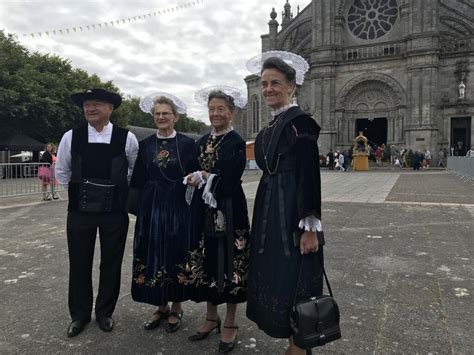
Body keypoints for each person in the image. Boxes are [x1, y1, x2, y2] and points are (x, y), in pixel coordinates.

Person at [245, 53, 325, 355]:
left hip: (292, 208)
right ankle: (290, 338)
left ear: (291, 86)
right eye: (264, 84)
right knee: (278, 272)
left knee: (297, 273)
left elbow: (309, 175)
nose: (268, 89)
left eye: (275, 83)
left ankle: (299, 346)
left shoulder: (300, 123)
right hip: (270, 207)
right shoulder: (269, 128)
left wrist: (309, 226)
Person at [55, 88, 139, 337]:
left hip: (114, 211)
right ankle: (79, 315)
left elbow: (133, 170)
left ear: (110, 109)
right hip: (80, 211)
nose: (90, 109)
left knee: (111, 263)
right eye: (87, 105)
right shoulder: (71, 136)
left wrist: (116, 193)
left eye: (97, 104)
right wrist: (82, 191)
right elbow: (62, 171)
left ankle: (105, 312)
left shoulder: (127, 138)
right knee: (79, 263)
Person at [184, 87, 250, 353]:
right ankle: (212, 316)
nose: (215, 113)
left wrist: (205, 176)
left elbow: (231, 180)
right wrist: (192, 177)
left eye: (221, 109)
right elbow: (196, 168)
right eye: (212, 109)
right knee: (209, 259)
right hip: (204, 210)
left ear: (231, 112)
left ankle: (231, 322)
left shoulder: (236, 142)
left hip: (230, 208)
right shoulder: (201, 141)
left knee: (231, 260)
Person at [128, 93, 194, 333]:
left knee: (177, 253)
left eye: (166, 113)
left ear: (175, 117)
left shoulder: (187, 144)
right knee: (152, 254)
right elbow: (137, 180)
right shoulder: (145, 145)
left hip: (178, 208)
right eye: (157, 113)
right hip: (152, 209)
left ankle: (176, 306)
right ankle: (160, 305)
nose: (161, 117)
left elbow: (195, 177)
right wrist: (139, 209)